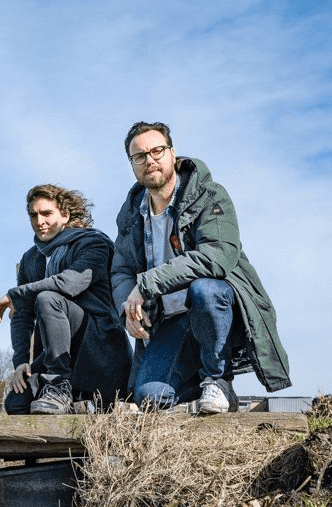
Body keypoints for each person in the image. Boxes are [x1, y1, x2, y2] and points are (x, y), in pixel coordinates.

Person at [111, 121, 291, 413]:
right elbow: (120, 270)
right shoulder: (132, 213)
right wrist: (126, 309)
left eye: (157, 151)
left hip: (217, 310)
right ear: (132, 163)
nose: (150, 160)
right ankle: (193, 386)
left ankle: (218, 380)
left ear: (172, 153)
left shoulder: (209, 195)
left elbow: (217, 255)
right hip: (171, 321)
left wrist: (145, 285)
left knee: (205, 289)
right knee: (149, 398)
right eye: (139, 156)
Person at [0, 185, 131, 414]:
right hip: (54, 352)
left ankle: (60, 387)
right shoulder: (31, 259)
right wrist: (20, 362)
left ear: (65, 215)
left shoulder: (93, 243)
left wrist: (16, 294)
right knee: (16, 404)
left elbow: (69, 283)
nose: (39, 221)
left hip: (98, 347)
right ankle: (76, 405)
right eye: (33, 215)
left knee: (48, 298)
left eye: (47, 213)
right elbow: (22, 315)